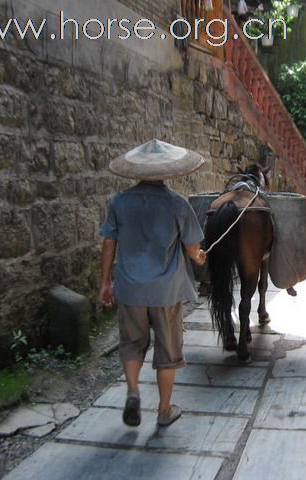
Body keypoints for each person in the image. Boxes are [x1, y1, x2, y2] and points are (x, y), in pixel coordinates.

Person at [98, 139, 207, 428]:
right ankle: (164, 409)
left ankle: (133, 392)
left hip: (130, 288)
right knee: (168, 351)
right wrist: (198, 258)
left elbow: (109, 243)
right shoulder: (177, 203)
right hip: (166, 291)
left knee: (132, 343)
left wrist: (105, 282)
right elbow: (192, 248)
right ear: (167, 171)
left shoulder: (119, 202)